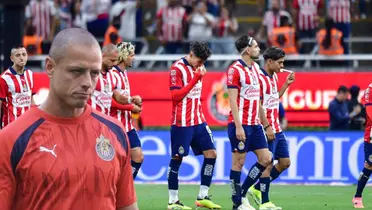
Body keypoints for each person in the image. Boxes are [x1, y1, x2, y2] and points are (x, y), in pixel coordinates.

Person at [0, 28, 138, 210]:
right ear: (50, 67)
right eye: (77, 71)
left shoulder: (115, 132)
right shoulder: (11, 139)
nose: (87, 82)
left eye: (94, 73)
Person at [167, 41, 221, 210]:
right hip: (182, 122)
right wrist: (195, 79)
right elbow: (175, 96)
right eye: (199, 60)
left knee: (211, 154)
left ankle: (202, 196)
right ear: (191, 54)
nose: (201, 64)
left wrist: (198, 74)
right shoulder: (177, 69)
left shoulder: (198, 67)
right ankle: (173, 201)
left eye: (204, 62)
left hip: (198, 120)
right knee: (177, 158)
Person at [227, 35, 273, 210]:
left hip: (255, 125)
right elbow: (232, 101)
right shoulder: (235, 70)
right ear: (247, 49)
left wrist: (266, 124)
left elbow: (258, 101)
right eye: (256, 46)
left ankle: (243, 192)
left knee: (266, 158)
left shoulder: (256, 69)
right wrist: (238, 126)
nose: (259, 49)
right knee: (238, 163)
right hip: (241, 124)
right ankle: (237, 203)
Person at [247, 47, 295, 210]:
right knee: (267, 163)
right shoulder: (259, 78)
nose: (282, 66)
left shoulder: (274, 76)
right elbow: (259, 104)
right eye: (280, 63)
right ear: (269, 61)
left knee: (285, 162)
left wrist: (286, 85)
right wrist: (266, 126)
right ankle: (264, 202)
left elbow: (273, 99)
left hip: (276, 127)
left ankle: (255, 188)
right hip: (265, 127)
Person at [111, 42, 144, 179]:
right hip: (115, 126)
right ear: (124, 56)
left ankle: (126, 187)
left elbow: (123, 98)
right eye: (131, 55)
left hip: (128, 126)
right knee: (114, 162)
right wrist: (131, 106)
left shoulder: (124, 73)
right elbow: (111, 102)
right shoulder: (112, 74)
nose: (133, 58)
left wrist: (133, 100)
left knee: (138, 157)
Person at [88, 43, 140, 115]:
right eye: (112, 60)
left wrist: (130, 100)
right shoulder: (91, 73)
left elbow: (117, 97)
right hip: (91, 120)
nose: (115, 63)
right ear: (103, 56)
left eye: (116, 60)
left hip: (105, 122)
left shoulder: (111, 75)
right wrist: (130, 107)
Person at [0, 45, 35, 129]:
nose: (21, 58)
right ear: (12, 58)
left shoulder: (30, 74)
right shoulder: (4, 78)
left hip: (28, 125)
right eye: (18, 55)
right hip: (11, 126)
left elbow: (31, 99)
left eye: (24, 54)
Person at [352, 83, 372, 209]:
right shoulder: (370, 89)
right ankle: (357, 196)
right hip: (371, 134)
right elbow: (370, 112)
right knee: (369, 165)